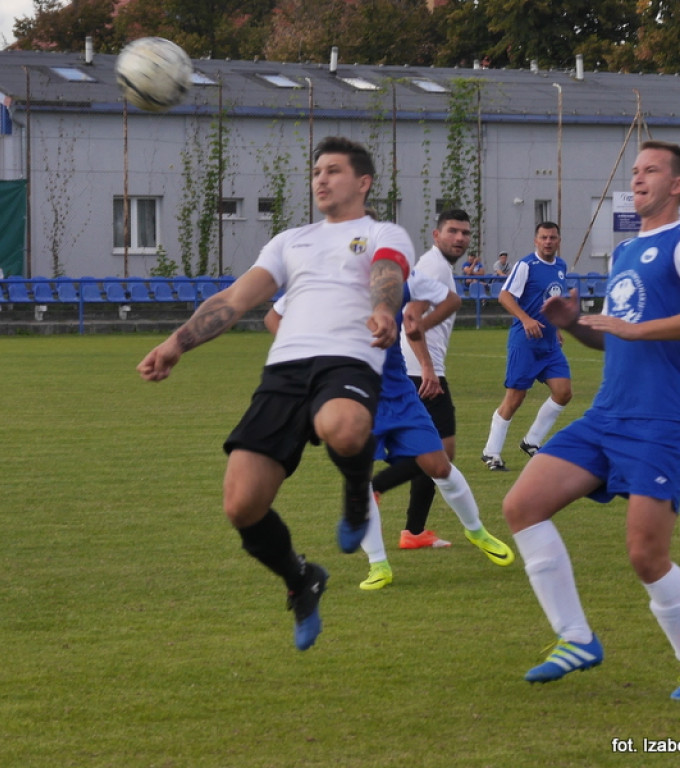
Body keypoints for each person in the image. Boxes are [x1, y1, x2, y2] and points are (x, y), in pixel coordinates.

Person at [136, 136, 413, 651]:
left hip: (347, 359)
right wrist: (177, 342)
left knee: (345, 427)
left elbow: (388, 272)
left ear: (363, 182)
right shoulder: (291, 241)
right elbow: (236, 298)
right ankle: (301, 577)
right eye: (316, 173)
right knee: (241, 505)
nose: (321, 180)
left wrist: (382, 309)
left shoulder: (382, 231)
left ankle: (358, 493)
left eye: (333, 170)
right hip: (284, 370)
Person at [502, 141, 680, 700]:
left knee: (646, 555)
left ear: (677, 185)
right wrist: (576, 324)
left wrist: (633, 329)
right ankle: (576, 637)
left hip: (661, 417)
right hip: (608, 413)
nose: (638, 178)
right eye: (635, 171)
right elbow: (615, 337)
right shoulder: (627, 253)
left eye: (651, 170)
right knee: (521, 506)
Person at [267, 267, 515, 590]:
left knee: (439, 465)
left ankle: (476, 531)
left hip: (399, 395)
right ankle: (378, 565)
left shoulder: (397, 281)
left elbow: (449, 300)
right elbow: (274, 317)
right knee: (360, 481)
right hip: (353, 400)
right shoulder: (321, 280)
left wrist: (422, 345)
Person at [372, 209, 474, 549]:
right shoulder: (432, 266)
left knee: (440, 454)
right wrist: (428, 368)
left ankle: (413, 532)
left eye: (465, 233)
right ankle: (377, 487)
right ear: (436, 235)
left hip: (423, 369)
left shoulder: (440, 268)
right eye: (453, 231)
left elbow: (416, 320)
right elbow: (411, 316)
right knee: (440, 454)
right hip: (420, 372)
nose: (460, 238)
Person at [481, 221, 572, 471]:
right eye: (543, 237)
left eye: (553, 237)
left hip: (550, 344)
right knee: (515, 396)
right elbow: (504, 296)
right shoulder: (526, 265)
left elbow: (553, 301)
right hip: (526, 342)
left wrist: (558, 328)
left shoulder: (562, 267)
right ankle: (491, 452)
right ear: (536, 240)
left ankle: (531, 441)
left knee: (563, 391)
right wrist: (526, 319)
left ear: (559, 240)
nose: (548, 241)